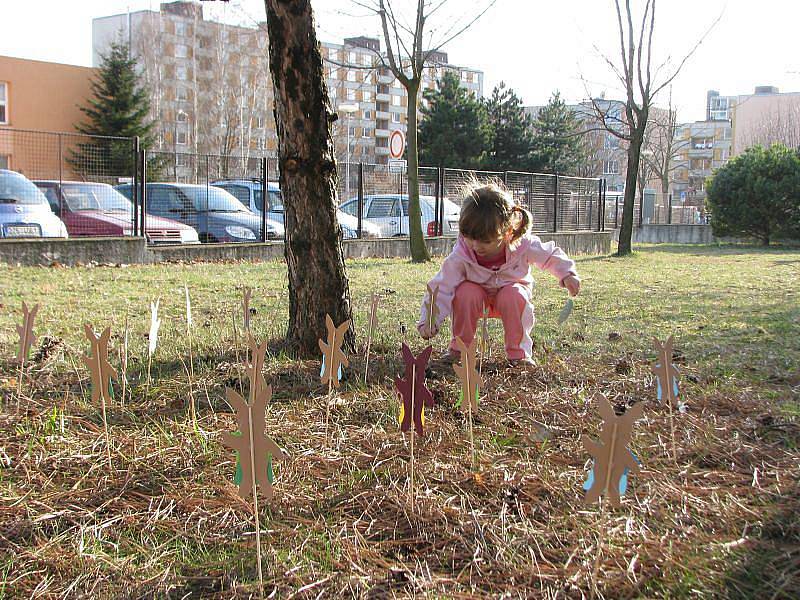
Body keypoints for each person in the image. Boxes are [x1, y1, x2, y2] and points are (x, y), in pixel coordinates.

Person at [418, 182, 580, 365]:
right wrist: (430, 318)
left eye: (485, 241)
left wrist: (567, 274)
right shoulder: (462, 255)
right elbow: (441, 285)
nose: (475, 246)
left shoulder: (523, 245)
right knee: (465, 293)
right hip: (476, 299)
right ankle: (460, 350)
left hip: (510, 299)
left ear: (507, 232)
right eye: (469, 237)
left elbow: (549, 255)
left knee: (514, 294)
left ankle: (519, 354)